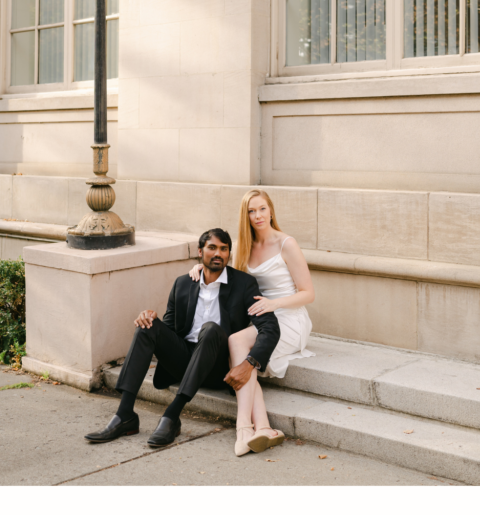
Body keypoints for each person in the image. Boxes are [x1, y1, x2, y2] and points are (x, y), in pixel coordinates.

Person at [84, 229, 280, 448]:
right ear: (200, 251)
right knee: (146, 327)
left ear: (229, 254)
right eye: (212, 247)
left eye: (224, 249)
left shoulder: (244, 284)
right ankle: (124, 415)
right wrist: (150, 320)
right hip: (185, 361)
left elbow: (270, 328)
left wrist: (250, 362)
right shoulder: (183, 284)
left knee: (211, 329)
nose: (218, 253)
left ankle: (172, 414)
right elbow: (169, 328)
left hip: (217, 366)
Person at [187, 188, 315, 454]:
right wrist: (202, 267)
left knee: (239, 346)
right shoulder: (245, 245)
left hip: (289, 318)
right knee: (240, 347)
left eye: (262, 209)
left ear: (271, 211)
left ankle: (243, 426)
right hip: (262, 320)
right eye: (251, 211)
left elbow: (308, 294)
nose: (258, 215)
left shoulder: (286, 244)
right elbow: (227, 275)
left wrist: (274, 303)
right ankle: (264, 428)